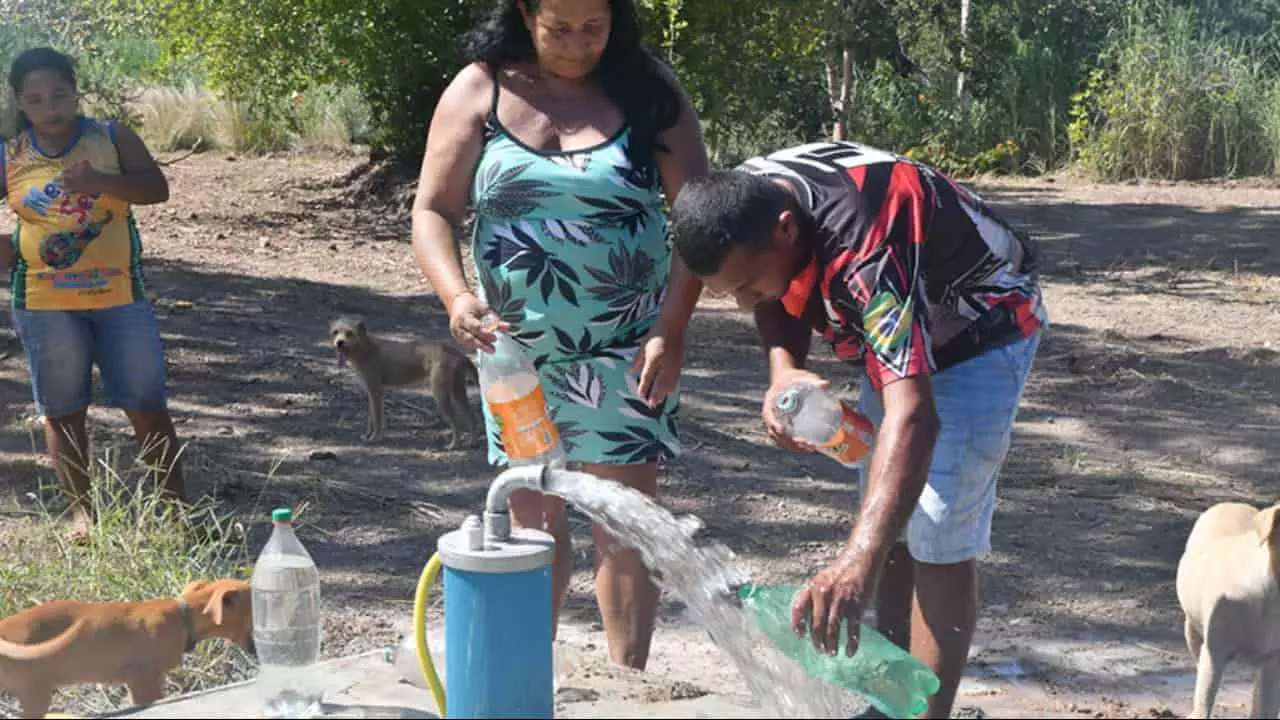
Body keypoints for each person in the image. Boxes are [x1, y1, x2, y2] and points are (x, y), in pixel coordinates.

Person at [669, 141, 1047, 718]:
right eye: (730, 293)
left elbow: (914, 416)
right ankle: (894, 698)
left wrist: (853, 565)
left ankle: (926, 714)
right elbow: (775, 290)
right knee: (889, 508)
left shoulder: (866, 249)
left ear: (787, 230)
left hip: (981, 324)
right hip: (900, 333)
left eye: (746, 287)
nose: (744, 302)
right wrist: (783, 370)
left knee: (938, 523)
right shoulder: (747, 201)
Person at [410, 0, 708, 670]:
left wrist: (673, 327)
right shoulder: (481, 87)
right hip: (512, 353)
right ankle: (523, 682)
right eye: (560, 30)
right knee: (531, 524)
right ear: (525, 12)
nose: (579, 45)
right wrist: (457, 298)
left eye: (594, 28)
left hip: (628, 348)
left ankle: (626, 685)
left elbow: (697, 219)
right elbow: (432, 209)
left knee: (623, 525)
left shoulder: (649, 90)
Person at [1, 47, 185, 540]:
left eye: (60, 94)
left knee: (146, 404)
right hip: (44, 304)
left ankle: (177, 513)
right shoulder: (11, 154)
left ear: (75, 92)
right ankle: (83, 514)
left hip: (120, 296)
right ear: (21, 103)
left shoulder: (110, 137)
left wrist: (100, 180)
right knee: (62, 410)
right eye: (36, 99)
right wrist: (10, 245)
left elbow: (156, 189)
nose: (51, 108)